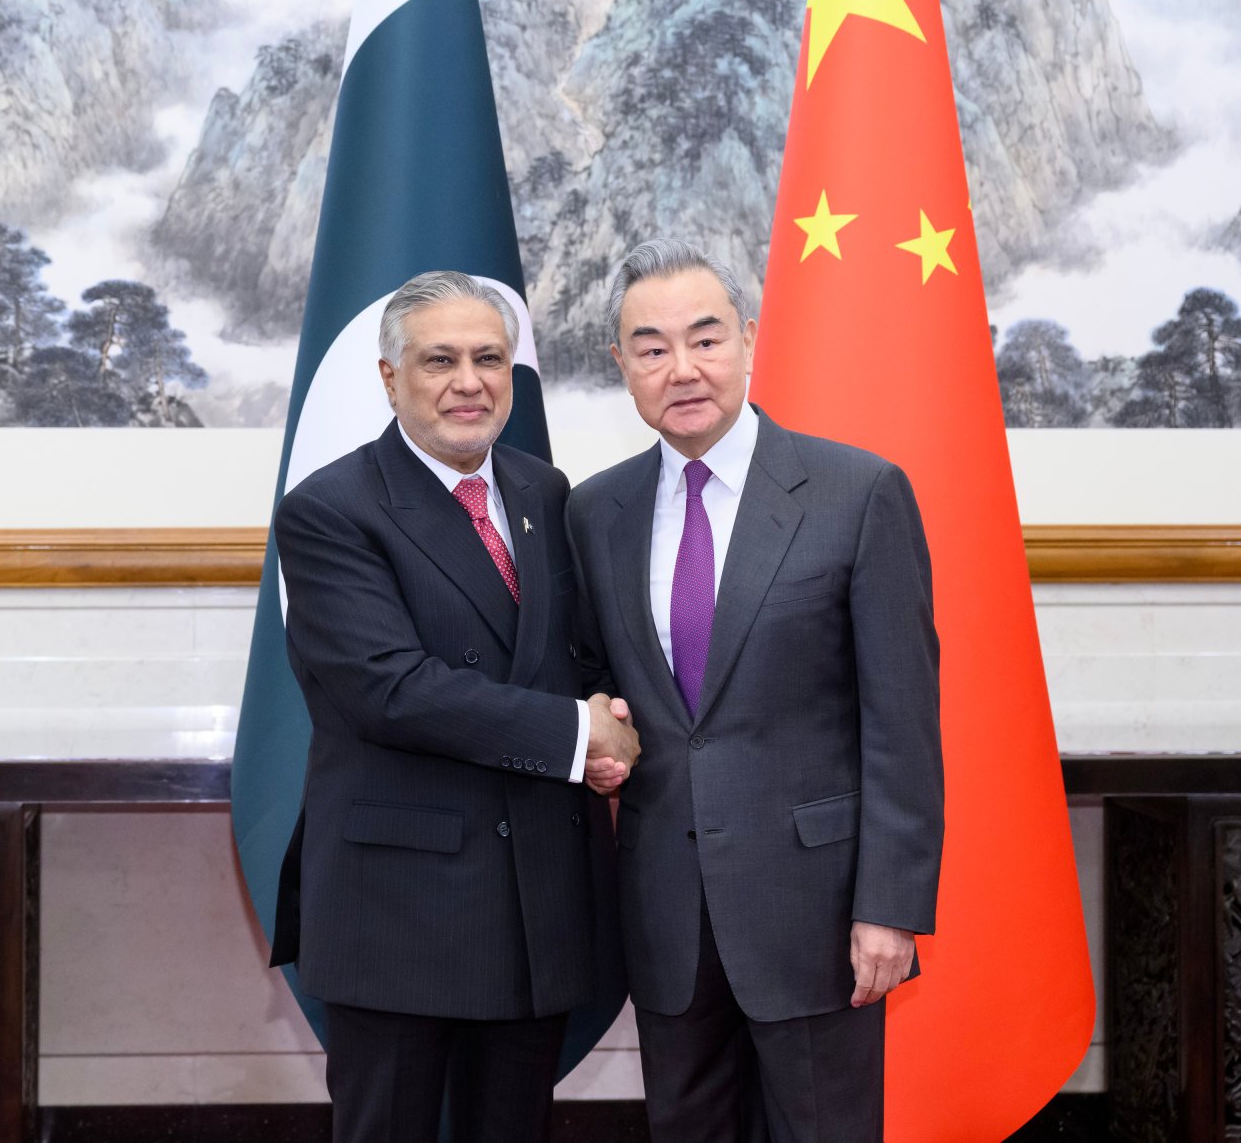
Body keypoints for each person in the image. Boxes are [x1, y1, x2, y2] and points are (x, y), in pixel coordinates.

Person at [565, 239, 943, 1143]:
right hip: (665, 916)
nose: (682, 369)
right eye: (650, 348)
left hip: (815, 915)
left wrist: (889, 908)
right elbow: (595, 681)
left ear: (748, 337)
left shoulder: (858, 493)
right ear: (622, 368)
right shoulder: (595, 512)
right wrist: (595, 736)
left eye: (706, 338)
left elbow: (903, 721)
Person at [270, 269, 639, 1143]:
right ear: (391, 378)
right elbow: (389, 690)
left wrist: (614, 719)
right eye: (440, 360)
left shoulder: (544, 493)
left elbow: (570, 654)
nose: (469, 382)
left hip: (535, 901)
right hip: (402, 907)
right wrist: (579, 732)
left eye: (490, 359)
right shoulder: (331, 510)